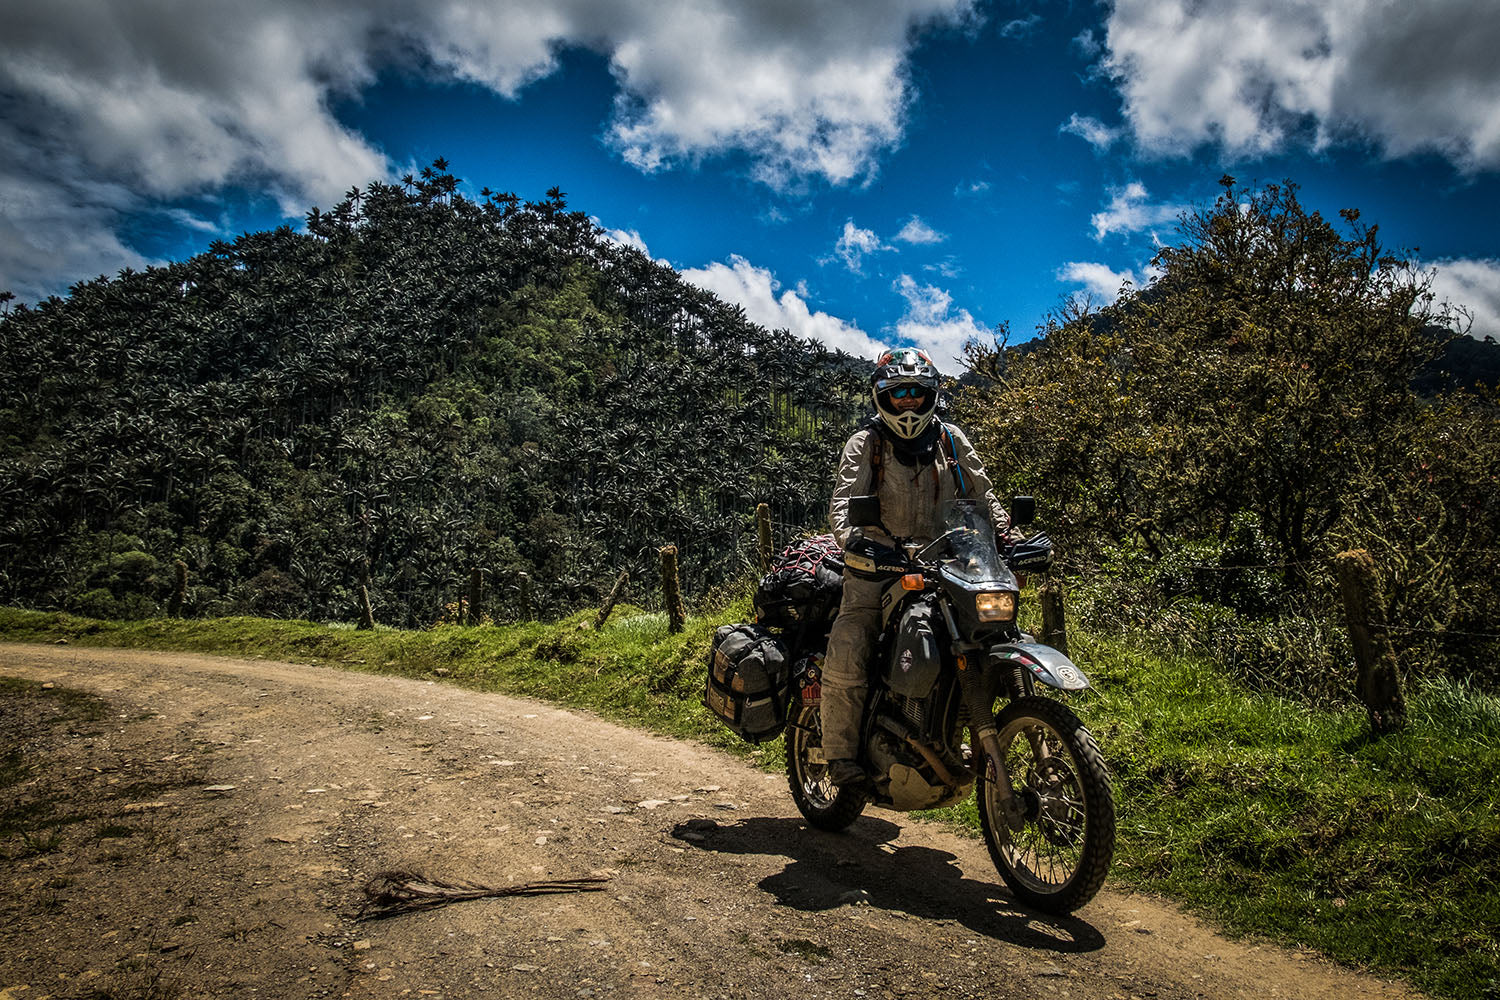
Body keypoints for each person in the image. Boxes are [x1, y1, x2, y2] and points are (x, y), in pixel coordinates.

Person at [822, 347, 1011, 787]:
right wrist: (855, 540)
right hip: (878, 566)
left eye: (917, 393)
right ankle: (840, 755)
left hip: (950, 565)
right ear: (881, 397)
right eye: (898, 393)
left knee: (987, 632)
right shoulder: (866, 443)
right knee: (853, 642)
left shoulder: (951, 439)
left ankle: (956, 730)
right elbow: (843, 505)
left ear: (931, 396)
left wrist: (1005, 534)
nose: (908, 402)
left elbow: (984, 494)